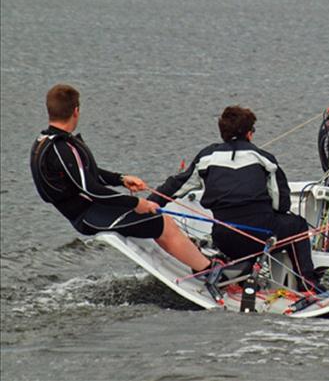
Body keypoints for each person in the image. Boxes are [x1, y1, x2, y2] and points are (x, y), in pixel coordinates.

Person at [30, 84, 215, 277]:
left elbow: (84, 175)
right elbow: (90, 189)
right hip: (89, 217)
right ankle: (210, 271)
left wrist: (121, 179)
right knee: (162, 222)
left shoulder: (45, 140)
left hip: (91, 210)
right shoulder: (62, 148)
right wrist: (136, 202)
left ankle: (195, 260)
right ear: (76, 111)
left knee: (157, 220)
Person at [148, 105, 317, 289]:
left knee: (244, 230)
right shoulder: (264, 159)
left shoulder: (206, 157)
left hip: (224, 238)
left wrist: (150, 202)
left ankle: (238, 278)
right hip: (260, 235)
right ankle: (308, 284)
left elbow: (176, 185)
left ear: (223, 133)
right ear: (249, 133)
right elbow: (281, 204)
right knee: (297, 225)